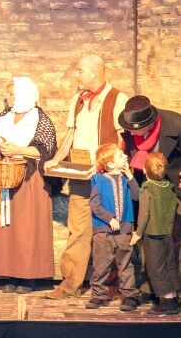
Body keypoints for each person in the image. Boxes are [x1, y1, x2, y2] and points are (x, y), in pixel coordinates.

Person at [45, 54, 129, 300]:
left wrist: (102, 165)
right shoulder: (78, 100)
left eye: (80, 71)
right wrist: (57, 158)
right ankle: (70, 285)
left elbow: (123, 138)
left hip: (108, 180)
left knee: (111, 233)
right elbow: (71, 134)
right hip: (81, 177)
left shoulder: (118, 98)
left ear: (94, 72)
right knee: (78, 230)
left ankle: (114, 285)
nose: (77, 75)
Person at [0, 77, 57, 294]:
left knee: (27, 227)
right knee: (7, 228)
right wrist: (0, 148)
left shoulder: (40, 119)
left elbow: (45, 150)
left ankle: (28, 277)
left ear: (25, 94)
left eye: (12, 94)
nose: (9, 98)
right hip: (5, 175)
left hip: (29, 178)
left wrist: (17, 150)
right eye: (9, 94)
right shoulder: (3, 117)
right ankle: (11, 273)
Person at [119, 95, 181, 272]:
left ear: (148, 124)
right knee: (147, 235)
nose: (130, 133)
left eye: (135, 130)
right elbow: (128, 155)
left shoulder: (179, 125)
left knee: (177, 236)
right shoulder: (130, 130)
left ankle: (173, 282)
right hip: (146, 187)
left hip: (176, 187)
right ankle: (150, 280)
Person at [85, 143, 140, 311]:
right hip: (103, 231)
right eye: (120, 155)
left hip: (124, 230)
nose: (125, 156)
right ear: (110, 163)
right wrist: (109, 218)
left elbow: (137, 196)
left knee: (126, 264)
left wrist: (130, 176)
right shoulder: (98, 180)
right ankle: (98, 295)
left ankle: (129, 296)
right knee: (101, 265)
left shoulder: (126, 179)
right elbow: (94, 204)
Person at [131, 152, 181, 315]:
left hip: (152, 235)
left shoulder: (147, 188)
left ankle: (167, 303)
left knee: (157, 269)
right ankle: (173, 297)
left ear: (144, 170)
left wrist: (138, 233)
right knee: (169, 265)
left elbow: (144, 213)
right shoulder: (169, 186)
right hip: (167, 234)